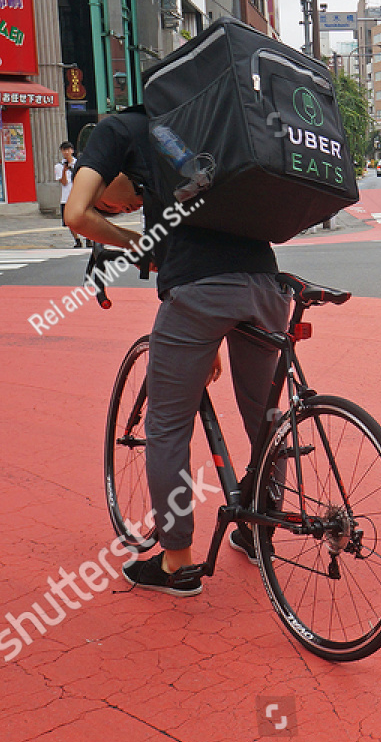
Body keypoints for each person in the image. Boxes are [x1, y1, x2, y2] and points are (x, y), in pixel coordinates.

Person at [65, 111, 290, 597]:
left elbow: (77, 214)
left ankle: (176, 562)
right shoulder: (194, 126)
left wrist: (135, 244)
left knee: (166, 426)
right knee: (265, 417)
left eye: (116, 203)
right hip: (266, 283)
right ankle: (258, 529)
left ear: (106, 173)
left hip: (201, 295)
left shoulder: (114, 132)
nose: (123, 209)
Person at [55, 141, 85, 248]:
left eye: (68, 150)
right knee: (69, 221)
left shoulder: (79, 163)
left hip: (78, 196)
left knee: (83, 219)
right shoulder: (58, 166)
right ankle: (77, 240)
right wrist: (64, 170)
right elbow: (63, 182)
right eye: (64, 150)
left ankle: (89, 238)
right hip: (66, 197)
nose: (66, 152)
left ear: (72, 151)